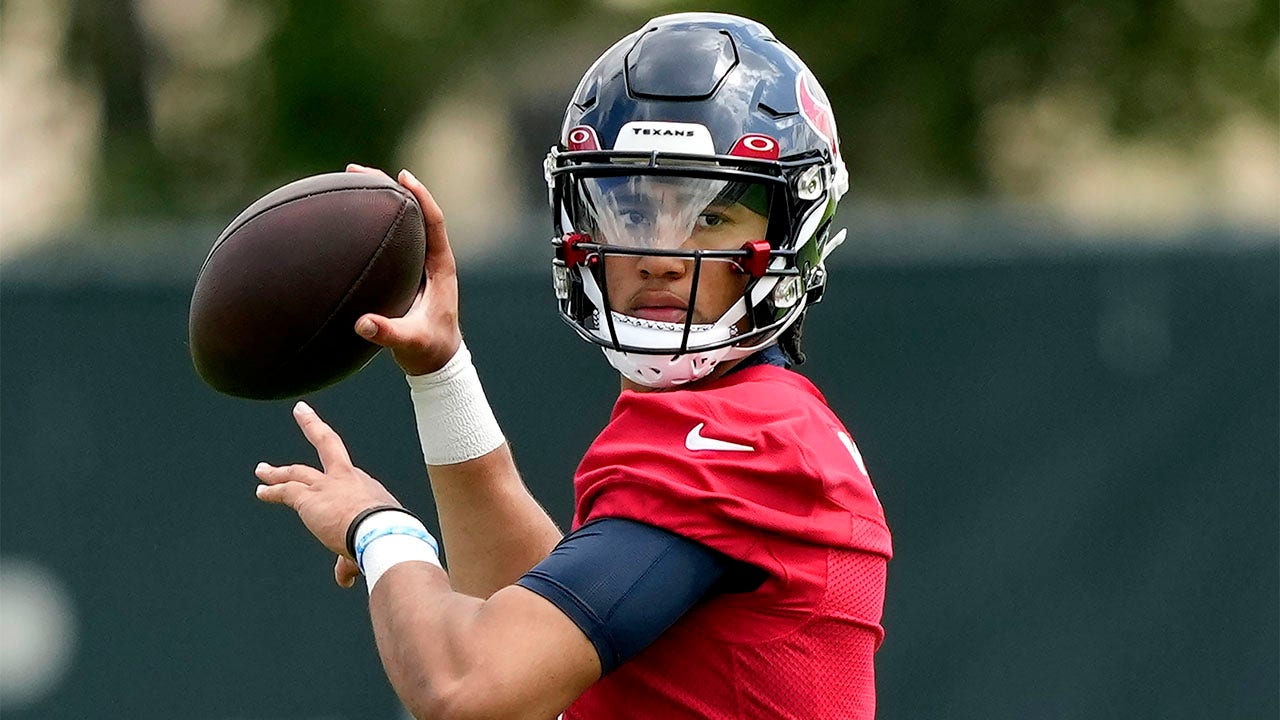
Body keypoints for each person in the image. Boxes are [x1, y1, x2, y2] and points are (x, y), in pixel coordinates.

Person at [254, 12, 891, 719]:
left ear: (791, 232)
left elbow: (467, 688)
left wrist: (377, 528)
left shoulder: (746, 441)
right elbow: (531, 616)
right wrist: (441, 373)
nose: (657, 252)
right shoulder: (736, 424)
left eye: (709, 217)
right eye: (631, 211)